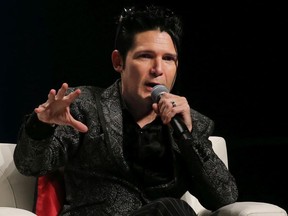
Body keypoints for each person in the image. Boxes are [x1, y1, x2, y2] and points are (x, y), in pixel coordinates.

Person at [14, 4, 238, 216]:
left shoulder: (190, 122)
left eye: (168, 59)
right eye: (145, 56)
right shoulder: (83, 106)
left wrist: (189, 137)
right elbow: (29, 165)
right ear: (118, 61)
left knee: (170, 209)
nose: (158, 69)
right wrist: (41, 126)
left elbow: (223, 198)